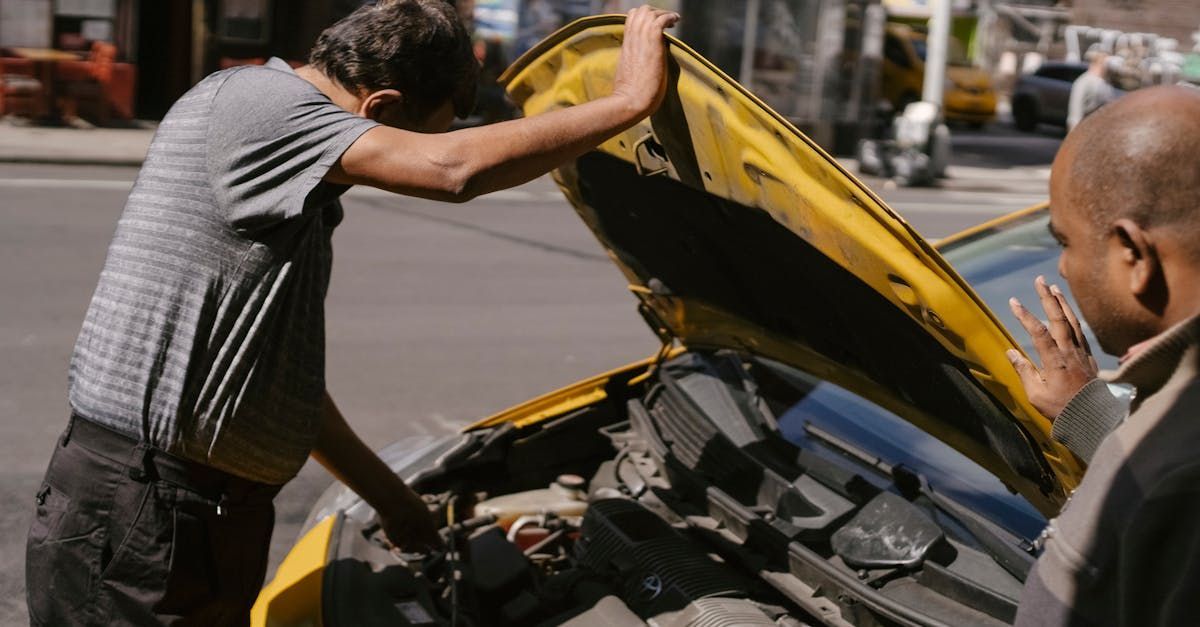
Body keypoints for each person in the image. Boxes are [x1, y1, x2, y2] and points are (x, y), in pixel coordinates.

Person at [25, 2, 679, 625]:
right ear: (381, 107)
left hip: (188, 513)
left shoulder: (289, 176)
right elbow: (454, 171)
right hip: (145, 510)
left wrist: (393, 500)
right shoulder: (263, 107)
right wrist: (627, 103)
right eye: (417, 133)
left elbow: (281, 385)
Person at [1003, 85, 1200, 625]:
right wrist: (1092, 410)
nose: (1063, 268)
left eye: (1065, 241)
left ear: (1133, 253)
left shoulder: (1185, 483)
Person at [1066, 47, 1116, 132]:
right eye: (1105, 60)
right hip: (1086, 131)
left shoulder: (1106, 83)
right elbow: (1075, 115)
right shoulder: (1084, 82)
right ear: (1098, 61)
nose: (1108, 64)